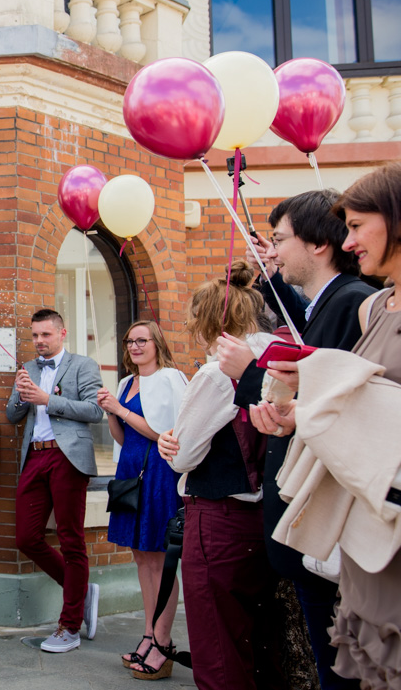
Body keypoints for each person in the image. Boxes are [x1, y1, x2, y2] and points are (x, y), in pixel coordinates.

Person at [217, 190, 372, 690]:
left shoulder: (349, 304)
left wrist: (248, 375)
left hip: (324, 520)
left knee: (338, 668)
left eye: (280, 240)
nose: (273, 251)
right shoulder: (325, 303)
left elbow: (338, 399)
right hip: (304, 518)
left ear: (319, 246)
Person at [258, 163, 401, 687]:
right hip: (363, 532)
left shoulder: (355, 302)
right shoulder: (377, 308)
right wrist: (301, 408)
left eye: (360, 225)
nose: (350, 239)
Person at [158, 263, 281, 690]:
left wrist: (170, 442)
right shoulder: (279, 358)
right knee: (257, 640)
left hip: (219, 520)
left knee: (217, 648)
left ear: (211, 320)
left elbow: (185, 455)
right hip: (265, 517)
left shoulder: (216, 373)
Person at [5, 308, 104, 654]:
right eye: (34, 336)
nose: (39, 342)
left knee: (70, 539)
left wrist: (48, 400)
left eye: (45, 335)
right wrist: (20, 393)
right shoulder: (28, 369)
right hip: (34, 455)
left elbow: (95, 411)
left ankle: (69, 626)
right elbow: (12, 415)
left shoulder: (83, 365)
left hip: (68, 457)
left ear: (62, 333)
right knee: (26, 537)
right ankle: (81, 590)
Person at [97, 320, 187, 677]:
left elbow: (164, 433)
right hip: (131, 474)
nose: (134, 347)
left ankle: (163, 643)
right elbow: (124, 439)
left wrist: (121, 410)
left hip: (159, 476)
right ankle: (148, 634)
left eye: (141, 340)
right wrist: (110, 412)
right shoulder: (125, 382)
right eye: (129, 341)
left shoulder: (169, 378)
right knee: (140, 558)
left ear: (156, 343)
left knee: (160, 560)